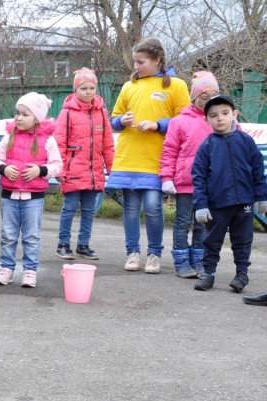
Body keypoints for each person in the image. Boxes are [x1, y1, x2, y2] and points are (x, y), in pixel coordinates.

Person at [108, 37, 189, 274]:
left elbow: (185, 120)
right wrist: (121, 121)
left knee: (153, 207)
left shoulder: (176, 85)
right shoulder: (128, 86)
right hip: (128, 157)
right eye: (134, 62)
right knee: (130, 208)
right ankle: (132, 253)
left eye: (141, 62)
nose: (136, 66)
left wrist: (158, 125)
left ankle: (154, 254)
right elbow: (114, 119)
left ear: (157, 60)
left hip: (156, 158)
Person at [190, 95, 267, 292]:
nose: (220, 118)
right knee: (212, 240)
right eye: (213, 115)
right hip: (217, 204)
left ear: (234, 114)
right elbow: (198, 177)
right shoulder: (206, 146)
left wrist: (261, 196)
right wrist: (201, 205)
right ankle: (208, 273)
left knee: (242, 240)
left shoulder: (246, 141)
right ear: (206, 120)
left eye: (225, 113)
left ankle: (242, 274)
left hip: (244, 203)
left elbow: (258, 169)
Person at [0, 92, 62, 288]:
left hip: (34, 199)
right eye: (17, 113)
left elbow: (57, 165)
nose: (19, 118)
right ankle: (6, 269)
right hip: (9, 197)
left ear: (37, 119)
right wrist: (3, 169)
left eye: (25, 114)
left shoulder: (48, 140)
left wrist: (41, 170)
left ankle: (30, 270)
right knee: (8, 235)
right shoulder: (9, 136)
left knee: (31, 236)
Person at [159, 71, 219, 278]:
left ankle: (199, 260)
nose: (208, 100)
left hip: (211, 184)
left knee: (203, 223)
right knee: (183, 221)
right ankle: (182, 260)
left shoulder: (218, 120)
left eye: (213, 96)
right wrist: (166, 177)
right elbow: (169, 151)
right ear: (194, 97)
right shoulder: (179, 122)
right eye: (204, 96)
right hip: (186, 182)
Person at [54, 67, 114, 262]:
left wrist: (112, 168)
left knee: (89, 210)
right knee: (70, 208)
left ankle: (83, 244)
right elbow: (59, 143)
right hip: (72, 170)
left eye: (91, 88)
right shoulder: (67, 113)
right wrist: (60, 169)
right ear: (75, 90)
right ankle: (63, 244)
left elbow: (108, 144)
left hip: (94, 172)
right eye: (83, 88)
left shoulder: (102, 113)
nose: (88, 92)